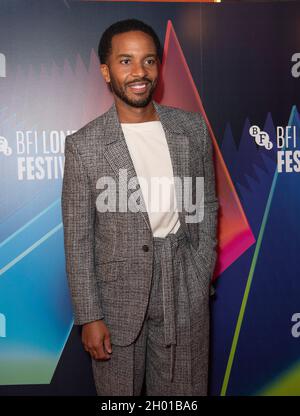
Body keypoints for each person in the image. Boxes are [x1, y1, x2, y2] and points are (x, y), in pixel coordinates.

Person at [61, 18, 218, 396]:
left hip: (184, 284)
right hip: (116, 298)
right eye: (126, 61)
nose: (139, 72)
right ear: (106, 70)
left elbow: (205, 205)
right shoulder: (85, 145)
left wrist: (200, 274)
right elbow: (79, 238)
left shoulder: (192, 129)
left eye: (148, 61)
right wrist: (90, 316)